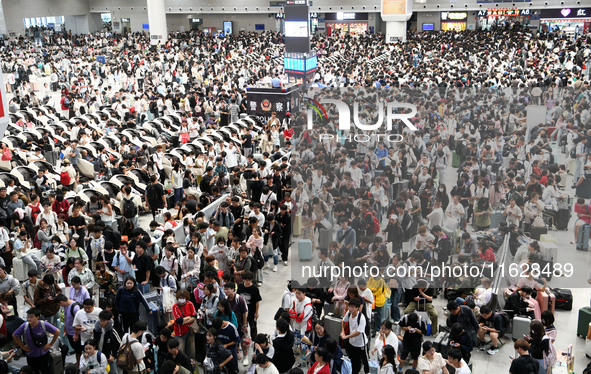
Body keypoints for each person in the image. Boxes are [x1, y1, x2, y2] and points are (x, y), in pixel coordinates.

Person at [12, 308, 60, 374]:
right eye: (28, 317)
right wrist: (22, 346)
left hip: (43, 355)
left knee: (45, 371)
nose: (29, 319)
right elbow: (14, 335)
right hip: (31, 356)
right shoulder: (25, 326)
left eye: (31, 317)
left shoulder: (43, 324)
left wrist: (50, 344)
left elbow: (57, 331)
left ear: (37, 317)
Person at [340, 298, 368, 374]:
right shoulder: (349, 313)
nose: (350, 308)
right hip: (352, 342)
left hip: (361, 342)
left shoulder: (361, 318)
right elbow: (343, 321)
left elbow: (358, 332)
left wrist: (346, 336)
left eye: (353, 307)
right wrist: (342, 331)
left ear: (357, 308)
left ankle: (367, 371)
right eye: (350, 306)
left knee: (364, 359)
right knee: (353, 358)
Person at [172, 289, 196, 359]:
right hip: (179, 333)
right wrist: (189, 317)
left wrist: (184, 321)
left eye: (183, 298)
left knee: (192, 351)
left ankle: (192, 365)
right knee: (180, 351)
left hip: (190, 330)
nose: (182, 300)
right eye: (180, 298)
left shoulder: (190, 304)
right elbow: (178, 320)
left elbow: (194, 316)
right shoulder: (175, 307)